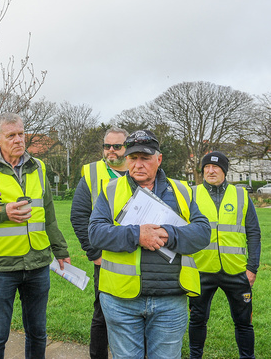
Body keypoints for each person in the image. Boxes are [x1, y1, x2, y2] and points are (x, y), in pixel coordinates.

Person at [88, 129, 211, 359]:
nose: (138, 164)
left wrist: (168, 234)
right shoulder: (110, 190)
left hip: (171, 301)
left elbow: (203, 233)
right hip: (120, 300)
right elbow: (95, 233)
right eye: (133, 158)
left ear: (159, 159)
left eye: (145, 158)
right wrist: (137, 235)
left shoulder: (182, 190)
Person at [0, 112, 71, 359]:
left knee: (38, 332)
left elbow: (49, 214)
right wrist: (4, 214)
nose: (18, 140)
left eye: (21, 134)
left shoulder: (39, 167)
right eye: (11, 135)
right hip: (0, 266)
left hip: (37, 264)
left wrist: (61, 250)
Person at [188, 151, 260, 359]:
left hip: (237, 270)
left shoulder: (241, 195)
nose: (210, 171)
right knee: (197, 320)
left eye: (216, 167)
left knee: (244, 323)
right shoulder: (191, 193)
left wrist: (252, 268)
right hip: (200, 269)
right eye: (206, 167)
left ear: (225, 171)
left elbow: (254, 232)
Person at [70, 127, 128, 359]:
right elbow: (78, 216)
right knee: (102, 314)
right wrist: (94, 253)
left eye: (117, 146)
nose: (110, 151)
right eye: (107, 146)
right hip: (106, 258)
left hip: (140, 256)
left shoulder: (139, 168)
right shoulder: (93, 173)